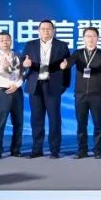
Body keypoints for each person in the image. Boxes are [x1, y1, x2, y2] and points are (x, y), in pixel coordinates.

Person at [21, 20, 70, 158]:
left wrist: (64, 85)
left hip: (53, 86)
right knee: (36, 119)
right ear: (38, 30)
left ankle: (54, 150)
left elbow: (67, 67)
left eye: (49, 29)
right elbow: (22, 62)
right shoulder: (30, 45)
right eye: (43, 29)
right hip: (35, 86)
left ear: (53, 31)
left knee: (54, 119)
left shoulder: (61, 45)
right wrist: (24, 63)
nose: (46, 31)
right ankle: (37, 149)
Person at [62, 27, 101, 159]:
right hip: (80, 95)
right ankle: (82, 150)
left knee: (98, 125)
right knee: (81, 125)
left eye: (93, 36)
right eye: (88, 36)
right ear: (83, 38)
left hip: (97, 95)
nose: (91, 39)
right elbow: (70, 62)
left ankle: (97, 151)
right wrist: (65, 64)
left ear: (97, 38)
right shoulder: (78, 53)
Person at [0, 31, 24, 159]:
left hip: (17, 91)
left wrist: (17, 85)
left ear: (11, 41)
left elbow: (22, 74)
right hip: (2, 92)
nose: (5, 42)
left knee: (18, 123)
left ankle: (16, 149)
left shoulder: (18, 56)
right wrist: (2, 67)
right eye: (2, 40)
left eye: (7, 39)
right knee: (0, 123)